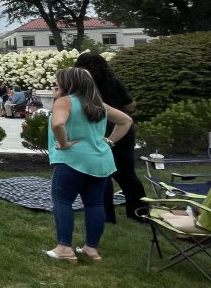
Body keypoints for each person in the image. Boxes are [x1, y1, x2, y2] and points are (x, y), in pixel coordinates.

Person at [45, 68, 132, 264]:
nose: (56, 84)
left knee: (62, 201)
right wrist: (109, 141)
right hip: (100, 161)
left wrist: (65, 144)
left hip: (72, 160)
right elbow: (126, 120)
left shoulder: (65, 101)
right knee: (95, 204)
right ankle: (91, 248)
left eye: (59, 81)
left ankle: (64, 248)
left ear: (69, 83)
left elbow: (58, 124)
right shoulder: (99, 105)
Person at [74, 52, 146, 222]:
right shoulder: (113, 81)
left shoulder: (83, 85)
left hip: (99, 131)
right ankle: (139, 213)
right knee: (127, 175)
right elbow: (131, 105)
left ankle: (107, 215)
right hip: (123, 129)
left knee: (101, 175)